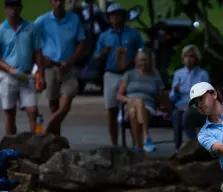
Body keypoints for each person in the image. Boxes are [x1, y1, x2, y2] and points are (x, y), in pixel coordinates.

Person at [94, 3, 144, 147]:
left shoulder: (133, 34)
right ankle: (115, 145)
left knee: (132, 109)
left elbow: (142, 52)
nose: (116, 18)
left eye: (118, 14)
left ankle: (136, 142)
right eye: (112, 15)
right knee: (112, 110)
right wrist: (103, 53)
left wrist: (133, 60)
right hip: (111, 74)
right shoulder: (104, 36)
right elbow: (96, 57)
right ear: (109, 18)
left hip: (129, 73)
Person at [34, 0, 85, 136]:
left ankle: (47, 130)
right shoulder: (42, 20)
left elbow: (81, 43)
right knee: (53, 106)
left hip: (68, 68)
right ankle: (55, 140)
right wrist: (41, 58)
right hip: (50, 68)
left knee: (66, 100)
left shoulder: (74, 19)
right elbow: (31, 39)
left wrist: (70, 60)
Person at [0, 0, 45, 135]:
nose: (13, 9)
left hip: (26, 74)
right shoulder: (1, 30)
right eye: (10, 6)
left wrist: (41, 75)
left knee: (32, 110)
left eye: (16, 6)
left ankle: (36, 141)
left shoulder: (31, 28)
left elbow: (38, 53)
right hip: (7, 75)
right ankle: (10, 146)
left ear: (21, 8)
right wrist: (10, 69)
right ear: (5, 9)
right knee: (9, 111)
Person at [116, 50, 164, 152]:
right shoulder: (129, 74)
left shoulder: (155, 76)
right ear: (136, 61)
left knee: (134, 112)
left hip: (148, 107)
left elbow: (161, 96)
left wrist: (162, 107)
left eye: (146, 60)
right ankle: (146, 137)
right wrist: (130, 100)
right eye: (141, 60)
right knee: (138, 102)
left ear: (150, 61)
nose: (143, 63)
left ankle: (137, 146)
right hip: (128, 104)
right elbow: (119, 95)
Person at [169, 44, 210, 151]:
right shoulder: (178, 74)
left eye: (191, 56)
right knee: (176, 115)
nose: (189, 59)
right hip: (181, 107)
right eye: (186, 56)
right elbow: (172, 98)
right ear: (183, 59)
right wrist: (176, 91)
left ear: (196, 58)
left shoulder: (202, 74)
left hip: (198, 108)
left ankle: (194, 144)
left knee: (188, 114)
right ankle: (177, 148)